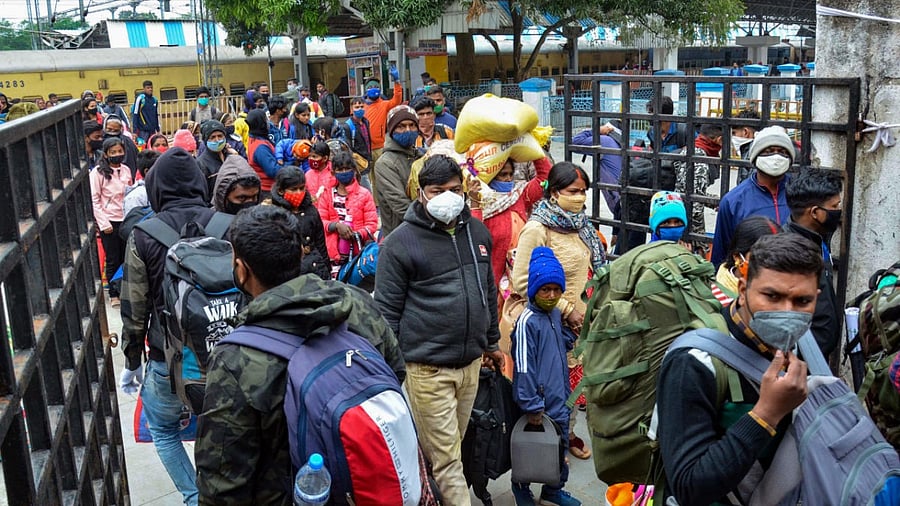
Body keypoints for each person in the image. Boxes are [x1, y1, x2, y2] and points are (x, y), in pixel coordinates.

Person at [195, 204, 404, 504]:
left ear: (241, 269)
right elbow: (395, 372)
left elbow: (223, 478)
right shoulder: (354, 302)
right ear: (301, 253)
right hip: (366, 486)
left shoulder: (236, 358)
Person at [657, 233, 821, 506]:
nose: (787, 313)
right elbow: (688, 488)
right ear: (743, 291)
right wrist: (766, 414)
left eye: (802, 302)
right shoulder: (694, 362)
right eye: (772, 296)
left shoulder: (802, 343)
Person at [375, 155, 503, 506]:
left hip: (471, 365)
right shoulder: (401, 243)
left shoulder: (476, 232)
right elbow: (386, 312)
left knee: (451, 449)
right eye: (437, 190)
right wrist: (395, 369)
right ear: (421, 193)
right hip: (427, 369)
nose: (448, 197)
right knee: (447, 459)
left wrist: (491, 341)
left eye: (454, 189)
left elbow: (487, 290)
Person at [120, 147, 214, 506]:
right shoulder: (226, 222)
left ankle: (195, 498)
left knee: (163, 428)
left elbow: (134, 307)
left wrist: (132, 360)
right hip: (227, 353)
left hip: (168, 356)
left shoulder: (144, 235)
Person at [511, 161, 606, 461]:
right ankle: (551, 440)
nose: (580, 197)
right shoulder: (538, 228)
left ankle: (568, 434)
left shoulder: (581, 225)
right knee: (554, 388)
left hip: (585, 323)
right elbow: (521, 279)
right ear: (554, 193)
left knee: (577, 387)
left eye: (584, 191)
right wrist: (566, 309)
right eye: (573, 191)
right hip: (554, 324)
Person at [511, 247, 582, 506]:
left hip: (559, 399)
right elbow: (523, 366)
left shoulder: (553, 314)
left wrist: (571, 335)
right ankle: (521, 489)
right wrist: (531, 404)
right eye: (545, 290)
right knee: (530, 450)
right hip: (539, 402)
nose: (551, 296)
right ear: (533, 290)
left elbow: (555, 345)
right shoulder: (526, 322)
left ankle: (553, 491)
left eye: (556, 290)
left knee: (559, 449)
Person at [711, 125, 794, 266]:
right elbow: (722, 256)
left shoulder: (800, 195)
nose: (776, 157)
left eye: (782, 152)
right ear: (755, 156)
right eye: (768, 151)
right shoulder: (733, 201)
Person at [784, 168, 843, 358]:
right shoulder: (791, 252)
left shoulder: (817, 238)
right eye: (835, 206)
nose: (838, 212)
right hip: (804, 359)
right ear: (816, 213)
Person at [470, 155, 551, 288]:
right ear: (490, 176)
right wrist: (475, 203)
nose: (508, 179)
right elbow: (475, 236)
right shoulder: (480, 201)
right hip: (493, 277)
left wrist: (536, 152)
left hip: (519, 274)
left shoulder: (519, 195)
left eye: (510, 174)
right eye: (502, 175)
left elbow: (545, 178)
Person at [315, 151, 378, 277]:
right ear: (333, 172)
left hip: (357, 254)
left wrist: (357, 234)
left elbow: (372, 224)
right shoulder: (327, 195)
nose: (344, 172)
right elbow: (320, 221)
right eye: (340, 169)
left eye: (347, 169)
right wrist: (336, 226)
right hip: (333, 254)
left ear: (354, 171)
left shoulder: (364, 194)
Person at [263, 165, 331, 280]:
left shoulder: (311, 211)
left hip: (315, 269)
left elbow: (320, 243)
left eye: (302, 188)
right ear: (281, 191)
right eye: (294, 189)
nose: (299, 193)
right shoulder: (273, 215)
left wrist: (326, 269)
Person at [91, 137, 134, 308]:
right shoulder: (98, 173)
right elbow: (95, 199)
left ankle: (125, 289)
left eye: (120, 151)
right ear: (106, 154)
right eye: (113, 152)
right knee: (112, 258)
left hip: (125, 219)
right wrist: (103, 223)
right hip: (109, 221)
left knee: (127, 256)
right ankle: (113, 293)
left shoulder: (126, 170)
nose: (117, 155)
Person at [674, 123, 723, 247]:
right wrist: (699, 243)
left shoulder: (693, 149)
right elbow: (694, 204)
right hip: (683, 224)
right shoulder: (699, 158)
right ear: (720, 140)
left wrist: (713, 201)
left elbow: (692, 190)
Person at [374, 105, 421, 236]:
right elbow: (400, 205)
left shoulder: (420, 156)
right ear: (392, 130)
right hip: (400, 234)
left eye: (412, 125)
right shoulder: (385, 163)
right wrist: (431, 221)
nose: (408, 130)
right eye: (401, 126)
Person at [714, 216, 780, 305]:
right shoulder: (717, 297)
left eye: (777, 258)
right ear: (737, 257)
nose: (770, 265)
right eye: (761, 258)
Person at [363, 77, 404, 162]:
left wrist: (397, 82)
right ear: (366, 90)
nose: (373, 89)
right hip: (365, 148)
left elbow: (397, 100)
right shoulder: (360, 106)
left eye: (376, 86)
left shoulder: (384, 105)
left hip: (380, 147)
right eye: (370, 87)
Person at [196, 120, 238, 196]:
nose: (217, 140)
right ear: (206, 140)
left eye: (220, 136)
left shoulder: (230, 156)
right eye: (212, 137)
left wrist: (236, 157)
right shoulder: (201, 164)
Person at [246, 109, 280, 199]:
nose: (268, 122)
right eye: (266, 119)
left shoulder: (254, 137)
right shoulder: (261, 147)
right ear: (261, 123)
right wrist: (290, 164)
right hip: (268, 190)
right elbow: (273, 171)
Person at [103, 115, 140, 180]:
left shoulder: (127, 141)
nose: (112, 133)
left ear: (120, 129)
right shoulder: (101, 141)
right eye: (109, 129)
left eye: (115, 130)